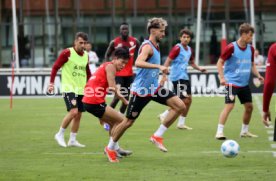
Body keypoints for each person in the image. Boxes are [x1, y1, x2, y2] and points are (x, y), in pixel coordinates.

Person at [104, 17, 186, 162]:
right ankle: (110, 147)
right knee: (128, 122)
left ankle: (157, 136)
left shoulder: (156, 45)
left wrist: (162, 76)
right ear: (153, 31)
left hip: (153, 88)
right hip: (141, 90)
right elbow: (138, 62)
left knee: (180, 106)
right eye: (161, 31)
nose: (164, 34)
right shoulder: (147, 46)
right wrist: (159, 67)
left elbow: (151, 68)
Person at [82, 47, 132, 163]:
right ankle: (110, 149)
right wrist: (125, 101)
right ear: (115, 59)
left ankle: (116, 148)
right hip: (93, 101)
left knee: (113, 122)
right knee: (122, 121)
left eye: (126, 63)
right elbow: (112, 87)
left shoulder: (107, 65)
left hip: (90, 100)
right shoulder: (111, 67)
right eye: (122, 62)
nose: (123, 65)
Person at [215, 23, 264, 140]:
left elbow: (252, 64)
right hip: (231, 83)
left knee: (249, 107)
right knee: (229, 106)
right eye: (250, 36)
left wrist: (258, 75)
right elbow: (219, 62)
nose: (251, 38)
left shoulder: (251, 49)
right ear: (243, 35)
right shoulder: (231, 47)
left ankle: (244, 131)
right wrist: (222, 78)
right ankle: (219, 132)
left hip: (244, 84)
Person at [48, 32, 91, 147]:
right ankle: (59, 134)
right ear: (75, 42)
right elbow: (55, 67)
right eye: (81, 42)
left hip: (81, 89)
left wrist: (91, 85)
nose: (83, 45)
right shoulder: (67, 53)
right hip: (69, 87)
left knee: (79, 115)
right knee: (73, 111)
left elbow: (87, 72)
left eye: (85, 43)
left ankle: (72, 140)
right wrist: (51, 83)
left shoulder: (86, 55)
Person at [158, 28, 206, 130]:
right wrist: (164, 75)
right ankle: (165, 114)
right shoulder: (177, 48)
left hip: (184, 76)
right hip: (177, 77)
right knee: (183, 100)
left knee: (188, 100)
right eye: (184, 37)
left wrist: (199, 69)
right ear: (180, 38)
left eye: (188, 37)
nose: (186, 39)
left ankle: (180, 123)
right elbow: (168, 61)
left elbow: (192, 63)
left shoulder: (189, 49)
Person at [104, 22, 140, 115]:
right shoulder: (114, 42)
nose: (124, 31)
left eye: (126, 29)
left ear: (128, 30)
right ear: (120, 31)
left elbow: (141, 52)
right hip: (118, 73)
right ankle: (106, 116)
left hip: (129, 74)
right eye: (123, 29)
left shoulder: (135, 41)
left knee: (127, 97)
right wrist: (108, 66)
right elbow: (107, 55)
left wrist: (138, 62)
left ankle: (119, 116)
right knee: (117, 96)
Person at [263, 43, 276, 127]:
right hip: (230, 84)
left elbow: (269, 83)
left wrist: (265, 108)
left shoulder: (274, 48)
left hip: (231, 85)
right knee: (229, 104)